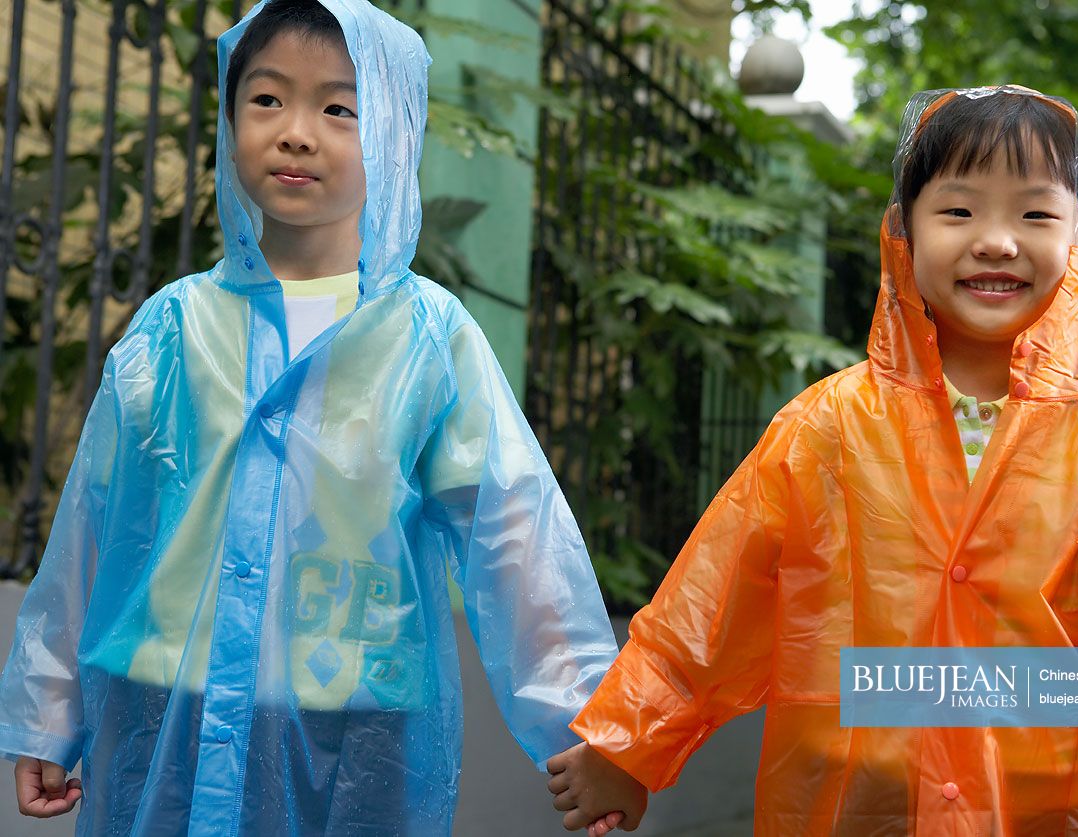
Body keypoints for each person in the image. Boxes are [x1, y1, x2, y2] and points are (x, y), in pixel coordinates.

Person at [546, 86, 1078, 835]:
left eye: (1034, 214)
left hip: (1046, 812)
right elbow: (716, 597)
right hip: (845, 806)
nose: (995, 240)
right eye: (958, 211)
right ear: (903, 233)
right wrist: (630, 740)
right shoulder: (829, 423)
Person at [0, 0, 618, 834]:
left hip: (351, 736)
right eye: (266, 99)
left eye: (339, 108)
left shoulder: (427, 339)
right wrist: (49, 713)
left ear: (394, 135)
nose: (296, 132)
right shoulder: (171, 329)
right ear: (229, 117)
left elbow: (516, 538)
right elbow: (97, 524)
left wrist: (596, 732)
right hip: (162, 716)